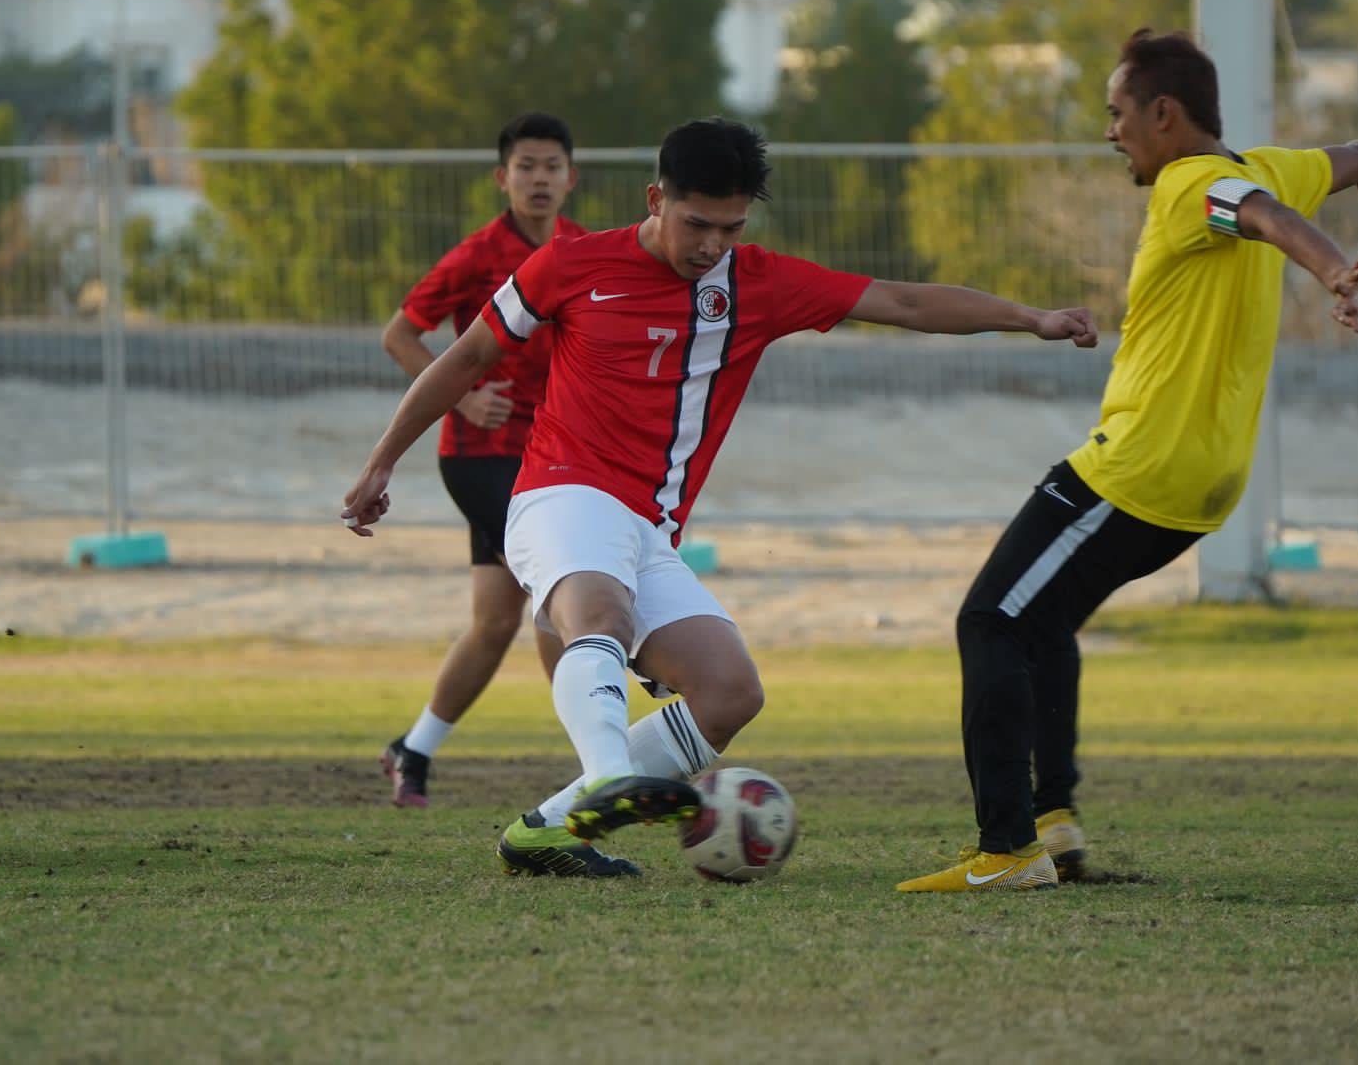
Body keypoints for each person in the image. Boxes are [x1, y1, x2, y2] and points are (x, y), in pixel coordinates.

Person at [342, 116, 1101, 876]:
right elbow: (468, 353)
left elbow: (903, 304)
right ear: (655, 200)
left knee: (730, 691)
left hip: (648, 526)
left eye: (730, 228)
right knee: (596, 613)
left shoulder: (757, 284)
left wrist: (1029, 318)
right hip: (558, 495)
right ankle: (607, 778)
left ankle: (544, 828)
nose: (711, 245)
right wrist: (382, 464)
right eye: (696, 224)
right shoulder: (569, 264)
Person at [897, 28, 1358, 894]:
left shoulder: (1195, 186)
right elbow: (1350, 155)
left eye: (1118, 114)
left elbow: (1263, 218)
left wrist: (1332, 267)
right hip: (1206, 486)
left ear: (1165, 115)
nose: (1111, 133)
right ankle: (1054, 824)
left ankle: (1006, 850)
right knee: (1040, 625)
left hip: (1137, 469)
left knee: (988, 622)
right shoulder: (1271, 164)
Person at [376, 112, 584, 808]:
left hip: (552, 458)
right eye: (526, 166)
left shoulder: (585, 250)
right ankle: (606, 759)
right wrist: (461, 398)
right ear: (503, 178)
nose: (539, 179)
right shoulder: (476, 256)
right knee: (561, 586)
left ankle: (414, 750)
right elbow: (400, 334)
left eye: (552, 166)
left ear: (570, 178)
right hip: (481, 458)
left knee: (495, 623)